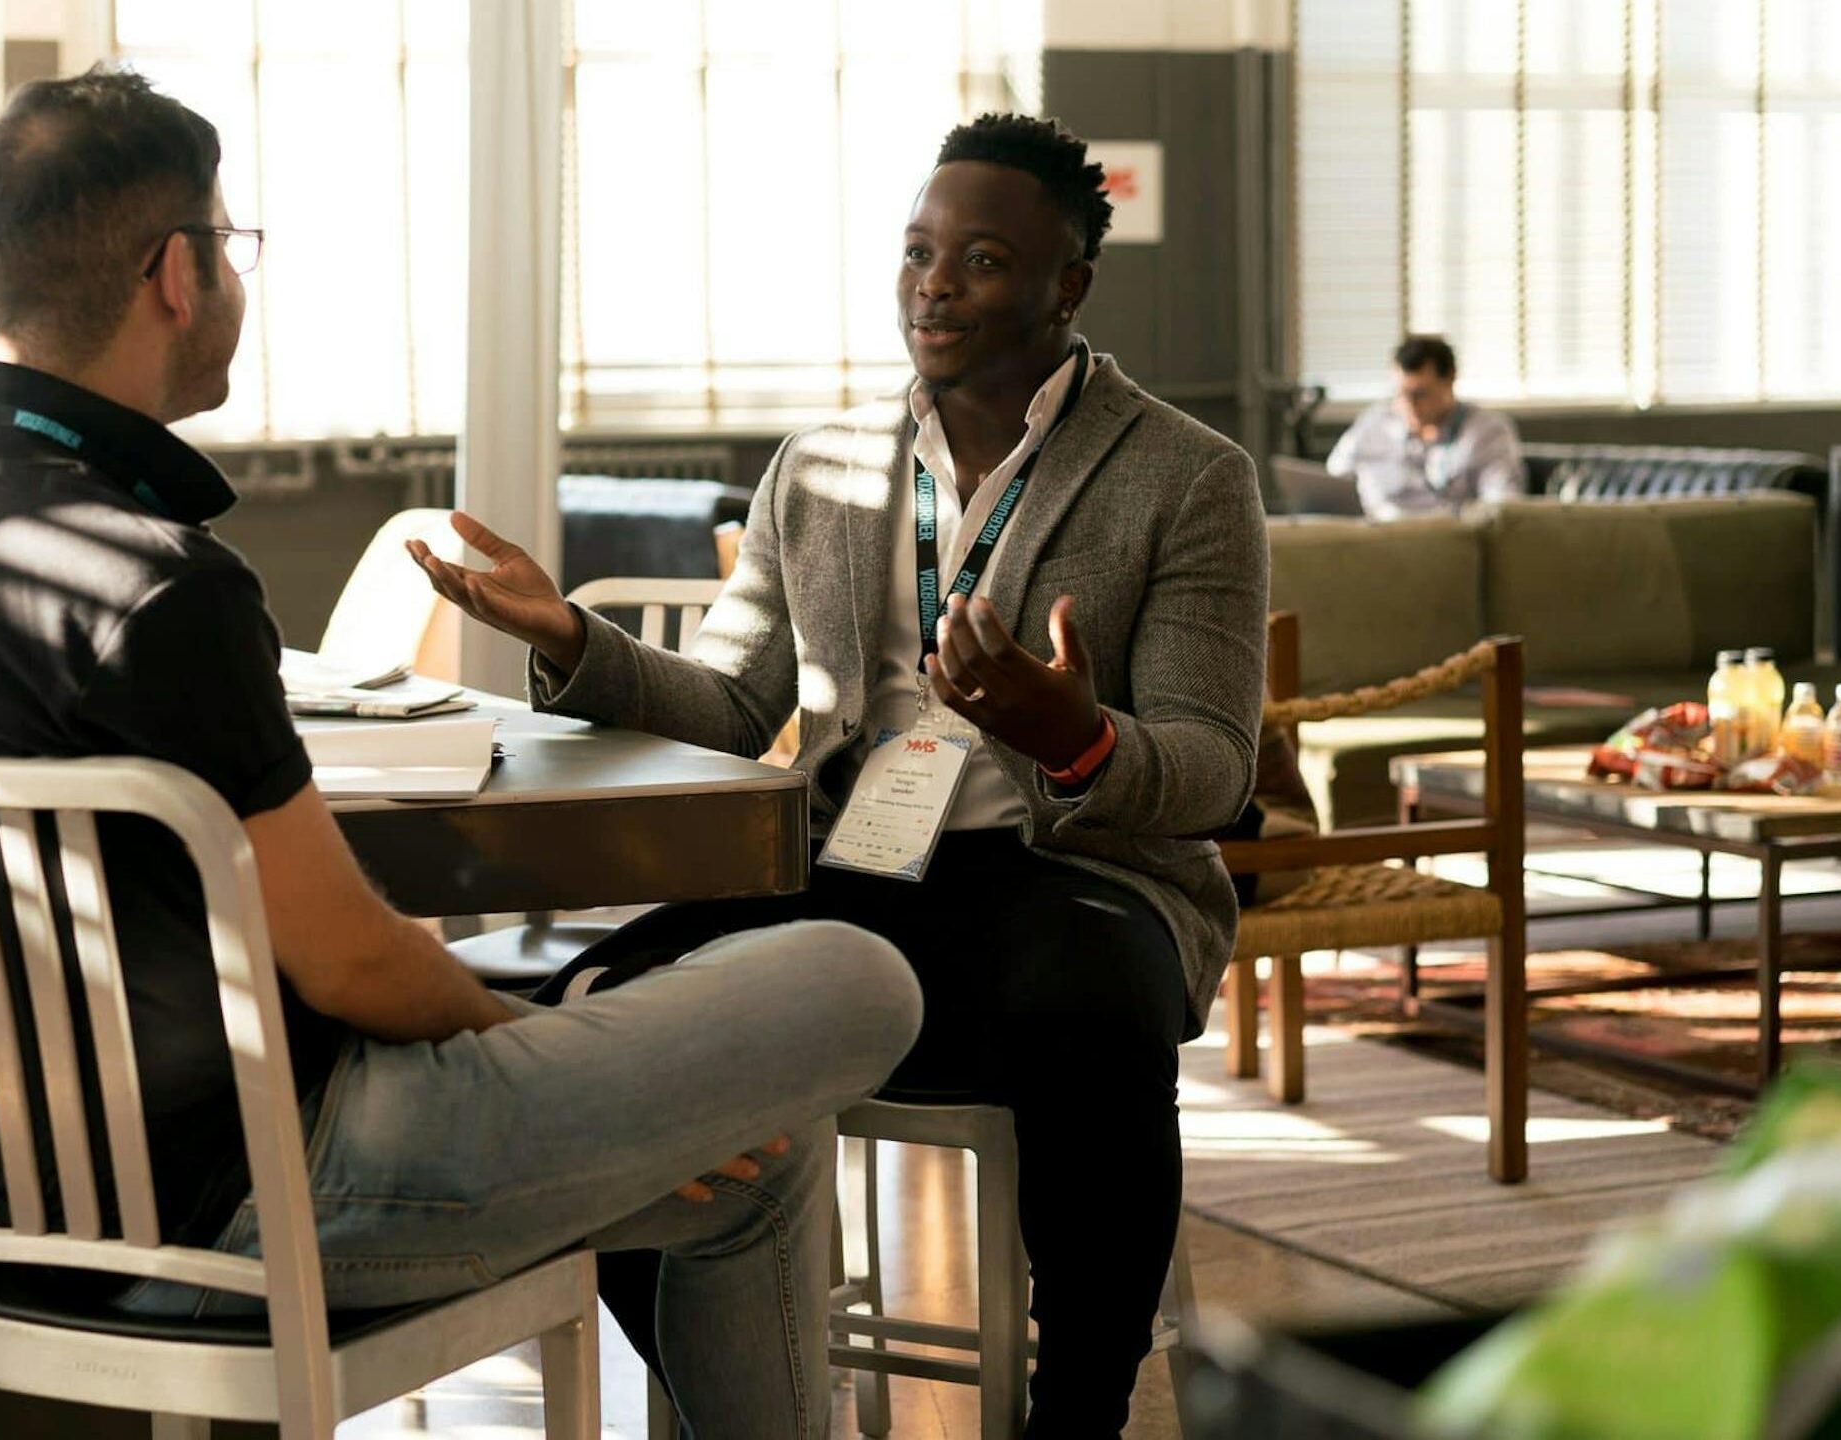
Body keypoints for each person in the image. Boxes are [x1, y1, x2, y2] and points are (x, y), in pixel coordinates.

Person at [0, 67, 921, 1440]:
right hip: (282, 1196)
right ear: (176, 271)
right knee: (854, 973)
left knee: (758, 1154)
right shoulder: (170, 584)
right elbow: (344, 956)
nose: (233, 278)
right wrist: (539, 1041)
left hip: (37, 1213)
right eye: (231, 245)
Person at [412, 113, 1269, 1435]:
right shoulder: (814, 470)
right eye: (919, 251)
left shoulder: (1188, 478)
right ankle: (728, 1393)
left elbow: (1213, 770)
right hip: (855, 866)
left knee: (1090, 999)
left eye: (981, 258)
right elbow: (739, 703)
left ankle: (1080, 1408)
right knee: (613, 1000)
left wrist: (1073, 738)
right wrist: (574, 640)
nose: (935, 284)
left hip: (1075, 875)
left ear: (1069, 287)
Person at [1326, 334, 1526, 518]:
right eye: (1401, 394)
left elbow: (1502, 505)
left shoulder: (1487, 431)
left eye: (1420, 394)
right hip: (1373, 536)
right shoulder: (1375, 422)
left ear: (1450, 379)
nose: (1409, 406)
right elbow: (1332, 480)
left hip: (1443, 540)